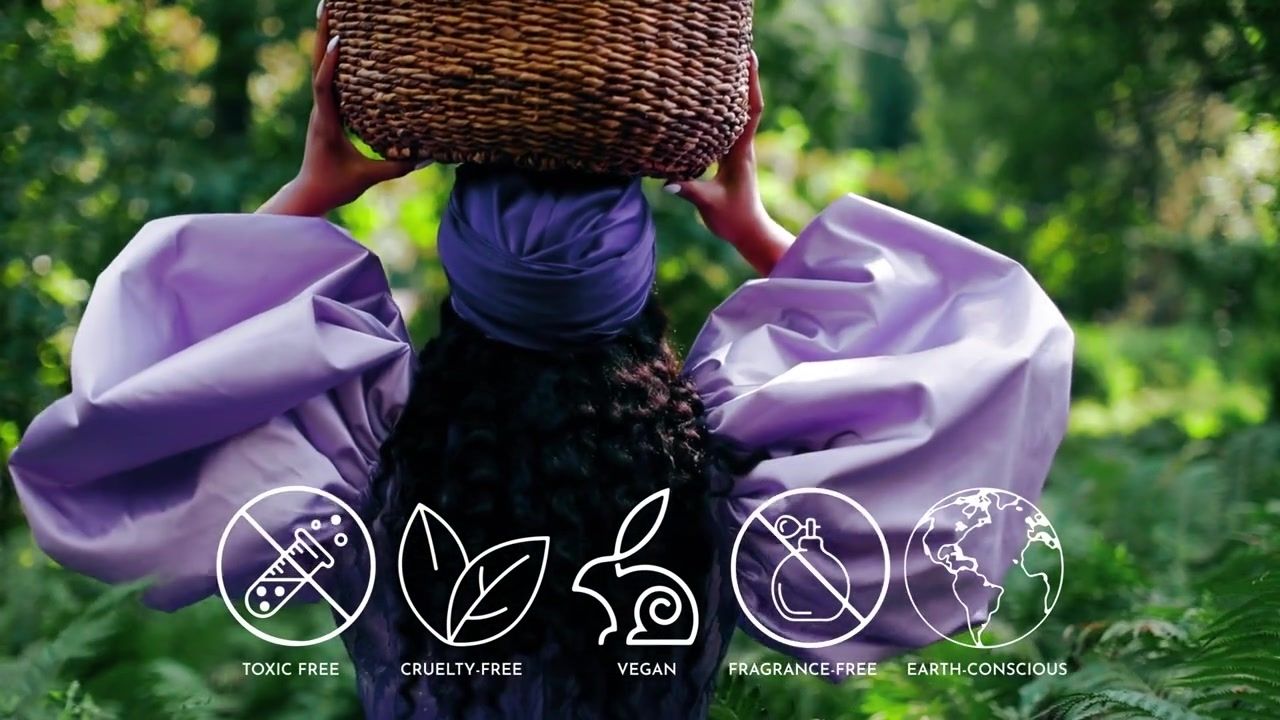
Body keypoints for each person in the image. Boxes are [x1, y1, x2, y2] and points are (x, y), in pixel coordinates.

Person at [8, 8, 1074, 720]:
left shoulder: (351, 469)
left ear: (458, 280)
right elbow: (970, 344)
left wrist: (312, 188)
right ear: (641, 279)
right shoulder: (738, 484)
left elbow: (145, 394)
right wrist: (756, 229)